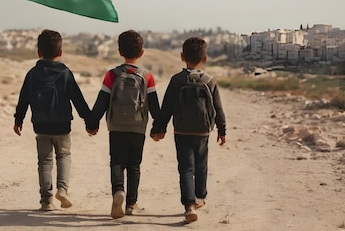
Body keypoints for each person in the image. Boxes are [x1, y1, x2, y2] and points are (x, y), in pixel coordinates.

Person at [13, 29, 98, 211]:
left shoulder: (33, 74)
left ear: (38, 52)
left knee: (44, 161)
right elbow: (78, 100)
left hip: (41, 125)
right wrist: (90, 121)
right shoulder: (65, 73)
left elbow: (23, 98)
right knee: (64, 156)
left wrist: (18, 119)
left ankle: (46, 201)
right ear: (60, 52)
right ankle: (63, 190)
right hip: (62, 125)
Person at [150, 37, 227, 223]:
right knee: (201, 165)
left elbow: (167, 107)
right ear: (205, 58)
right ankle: (200, 197)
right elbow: (218, 108)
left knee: (185, 167)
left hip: (182, 131)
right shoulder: (210, 80)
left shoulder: (177, 80)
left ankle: (189, 204)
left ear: (182, 56)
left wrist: (158, 128)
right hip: (203, 131)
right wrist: (222, 131)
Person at [91, 30, 161, 219]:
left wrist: (92, 123)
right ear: (142, 52)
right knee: (134, 165)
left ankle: (118, 191)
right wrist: (158, 128)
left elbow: (101, 102)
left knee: (117, 161)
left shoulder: (111, 75)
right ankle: (131, 203)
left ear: (120, 51)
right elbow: (154, 107)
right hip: (138, 128)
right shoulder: (147, 77)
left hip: (116, 126)